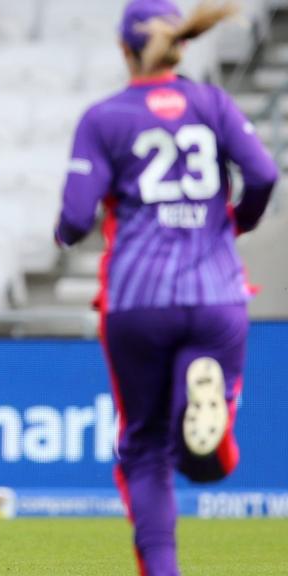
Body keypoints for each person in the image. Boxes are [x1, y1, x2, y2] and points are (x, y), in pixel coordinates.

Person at [53, 2, 278, 575]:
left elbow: (77, 218)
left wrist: (64, 230)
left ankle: (164, 571)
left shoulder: (106, 117)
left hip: (138, 297)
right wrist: (235, 221)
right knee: (206, 461)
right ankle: (210, 417)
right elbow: (264, 174)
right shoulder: (212, 103)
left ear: (123, 48)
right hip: (216, 289)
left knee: (145, 449)